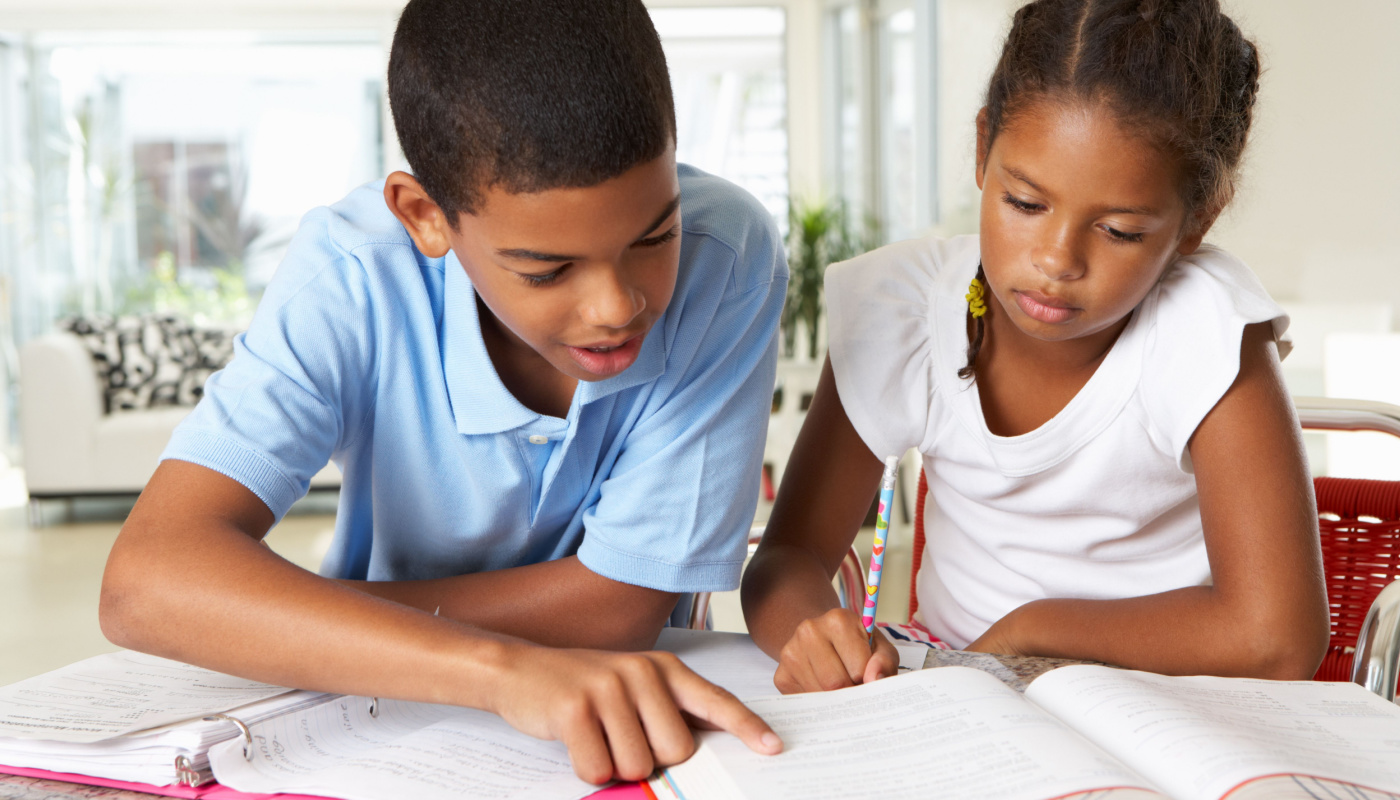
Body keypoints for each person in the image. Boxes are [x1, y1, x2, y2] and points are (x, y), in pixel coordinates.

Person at [99, 0, 787, 783]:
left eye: (654, 236)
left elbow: (621, 605)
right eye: (546, 269)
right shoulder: (352, 276)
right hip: (371, 723)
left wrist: (303, 620)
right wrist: (499, 671)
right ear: (425, 217)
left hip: (595, 715)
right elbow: (146, 583)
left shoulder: (727, 255)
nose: (616, 306)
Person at [741, 0, 1330, 695]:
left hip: (1162, 701)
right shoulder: (902, 310)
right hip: (957, 699)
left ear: (1198, 217)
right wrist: (820, 639)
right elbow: (788, 559)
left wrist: (1035, 629)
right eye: (1024, 204)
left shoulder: (1205, 329)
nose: (1055, 260)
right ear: (983, 148)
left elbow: (1279, 638)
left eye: (1118, 231)